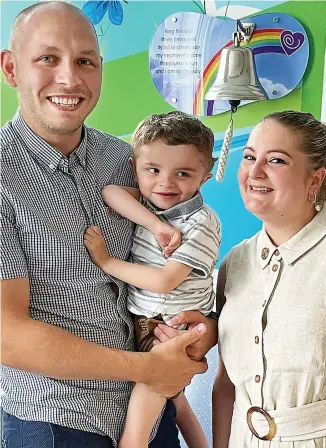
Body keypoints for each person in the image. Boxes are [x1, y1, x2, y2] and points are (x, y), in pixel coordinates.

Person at [0, 3, 218, 447]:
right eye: (47, 58)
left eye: (85, 61)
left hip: (151, 408)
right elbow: (6, 333)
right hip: (56, 420)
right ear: (10, 67)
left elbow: (184, 254)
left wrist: (204, 328)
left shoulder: (127, 161)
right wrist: (145, 369)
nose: (69, 78)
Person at [84, 111, 221, 448]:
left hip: (175, 326)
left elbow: (164, 282)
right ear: (136, 168)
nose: (166, 183)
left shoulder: (201, 223)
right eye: (153, 170)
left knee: (152, 388)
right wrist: (157, 226)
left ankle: (133, 443)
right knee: (176, 400)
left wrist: (106, 261)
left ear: (205, 175)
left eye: (183, 173)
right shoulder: (152, 205)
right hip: (148, 320)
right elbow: (111, 192)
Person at [213, 110, 326, 447]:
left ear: (315, 180)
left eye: (276, 161)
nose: (255, 172)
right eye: (249, 156)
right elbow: (227, 385)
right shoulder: (235, 262)